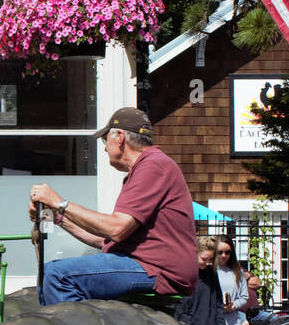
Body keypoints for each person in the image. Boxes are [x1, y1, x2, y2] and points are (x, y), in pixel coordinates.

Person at [29, 107, 197, 303]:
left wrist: (58, 202)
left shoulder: (153, 166)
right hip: (147, 265)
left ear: (119, 137)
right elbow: (106, 239)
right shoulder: (149, 167)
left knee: (58, 275)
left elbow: (115, 229)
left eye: (105, 140)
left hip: (159, 270)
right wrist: (57, 218)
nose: (105, 148)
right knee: (49, 274)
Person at [174, 236, 235, 325]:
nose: (208, 263)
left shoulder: (211, 273)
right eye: (204, 259)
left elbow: (218, 305)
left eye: (211, 259)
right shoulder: (183, 274)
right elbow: (179, 307)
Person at [215, 237, 249, 325]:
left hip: (233, 322)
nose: (223, 255)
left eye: (227, 252)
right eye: (220, 252)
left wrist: (234, 305)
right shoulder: (210, 271)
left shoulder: (238, 272)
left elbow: (244, 297)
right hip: (215, 321)